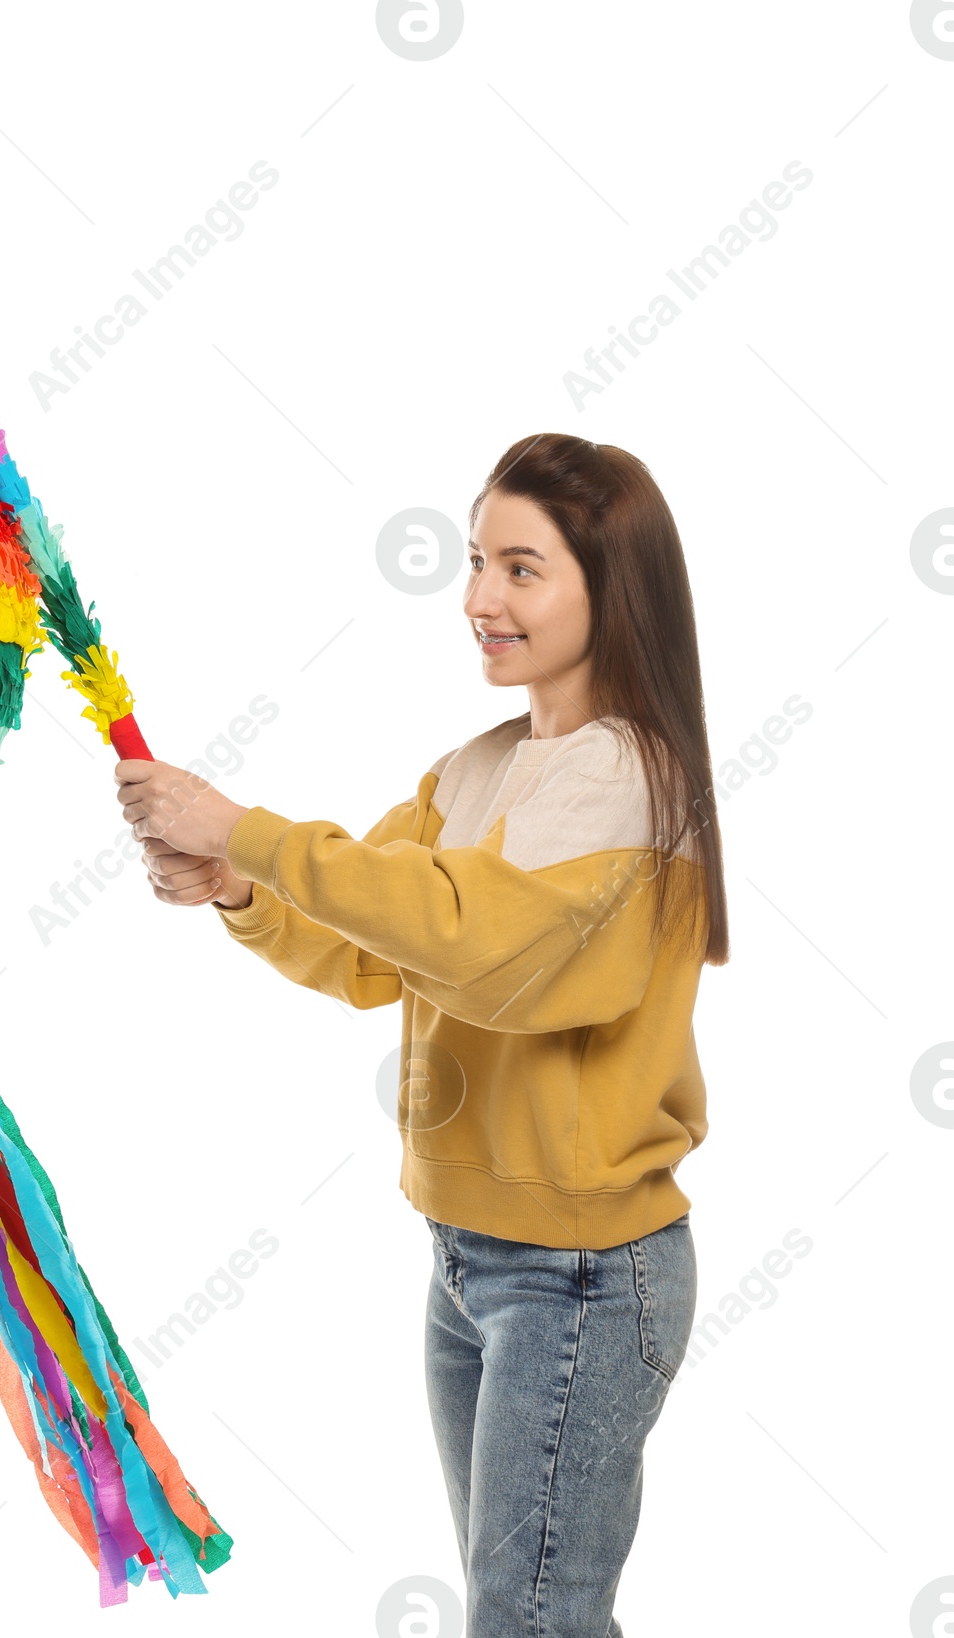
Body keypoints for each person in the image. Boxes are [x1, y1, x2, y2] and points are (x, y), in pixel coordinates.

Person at [113, 432, 726, 1636]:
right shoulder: (475, 770)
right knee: (522, 1612)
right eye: (472, 562)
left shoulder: (631, 781)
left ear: (612, 586)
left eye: (520, 569)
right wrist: (240, 888)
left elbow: (480, 946)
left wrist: (244, 831)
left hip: (582, 1275)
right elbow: (363, 949)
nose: (479, 599)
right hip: (470, 1258)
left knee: (531, 1619)